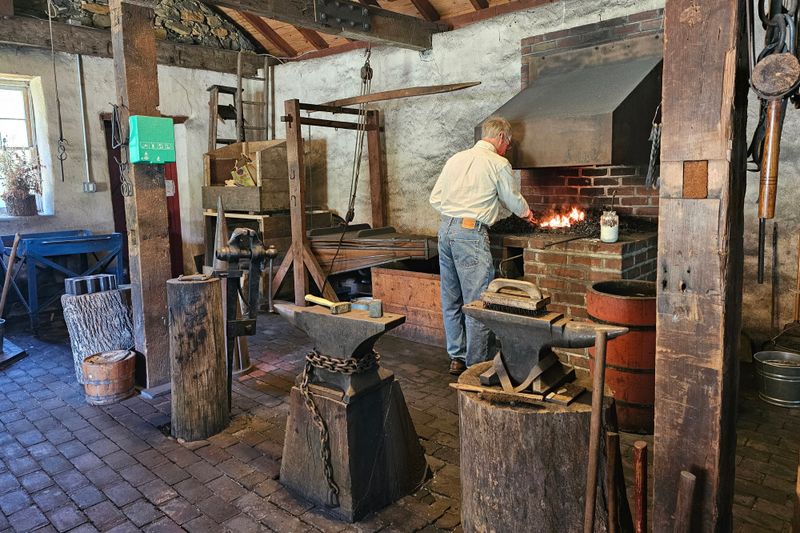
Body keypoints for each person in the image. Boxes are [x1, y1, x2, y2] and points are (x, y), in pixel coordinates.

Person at [429, 116, 535, 375]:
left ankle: (457, 357)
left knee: (451, 299)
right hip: (470, 234)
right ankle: (476, 365)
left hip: (445, 230)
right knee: (478, 302)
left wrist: (456, 211)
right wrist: (527, 214)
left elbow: (435, 198)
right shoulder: (497, 162)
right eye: (507, 143)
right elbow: (512, 198)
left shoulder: (455, 159)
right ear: (501, 137)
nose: (507, 148)